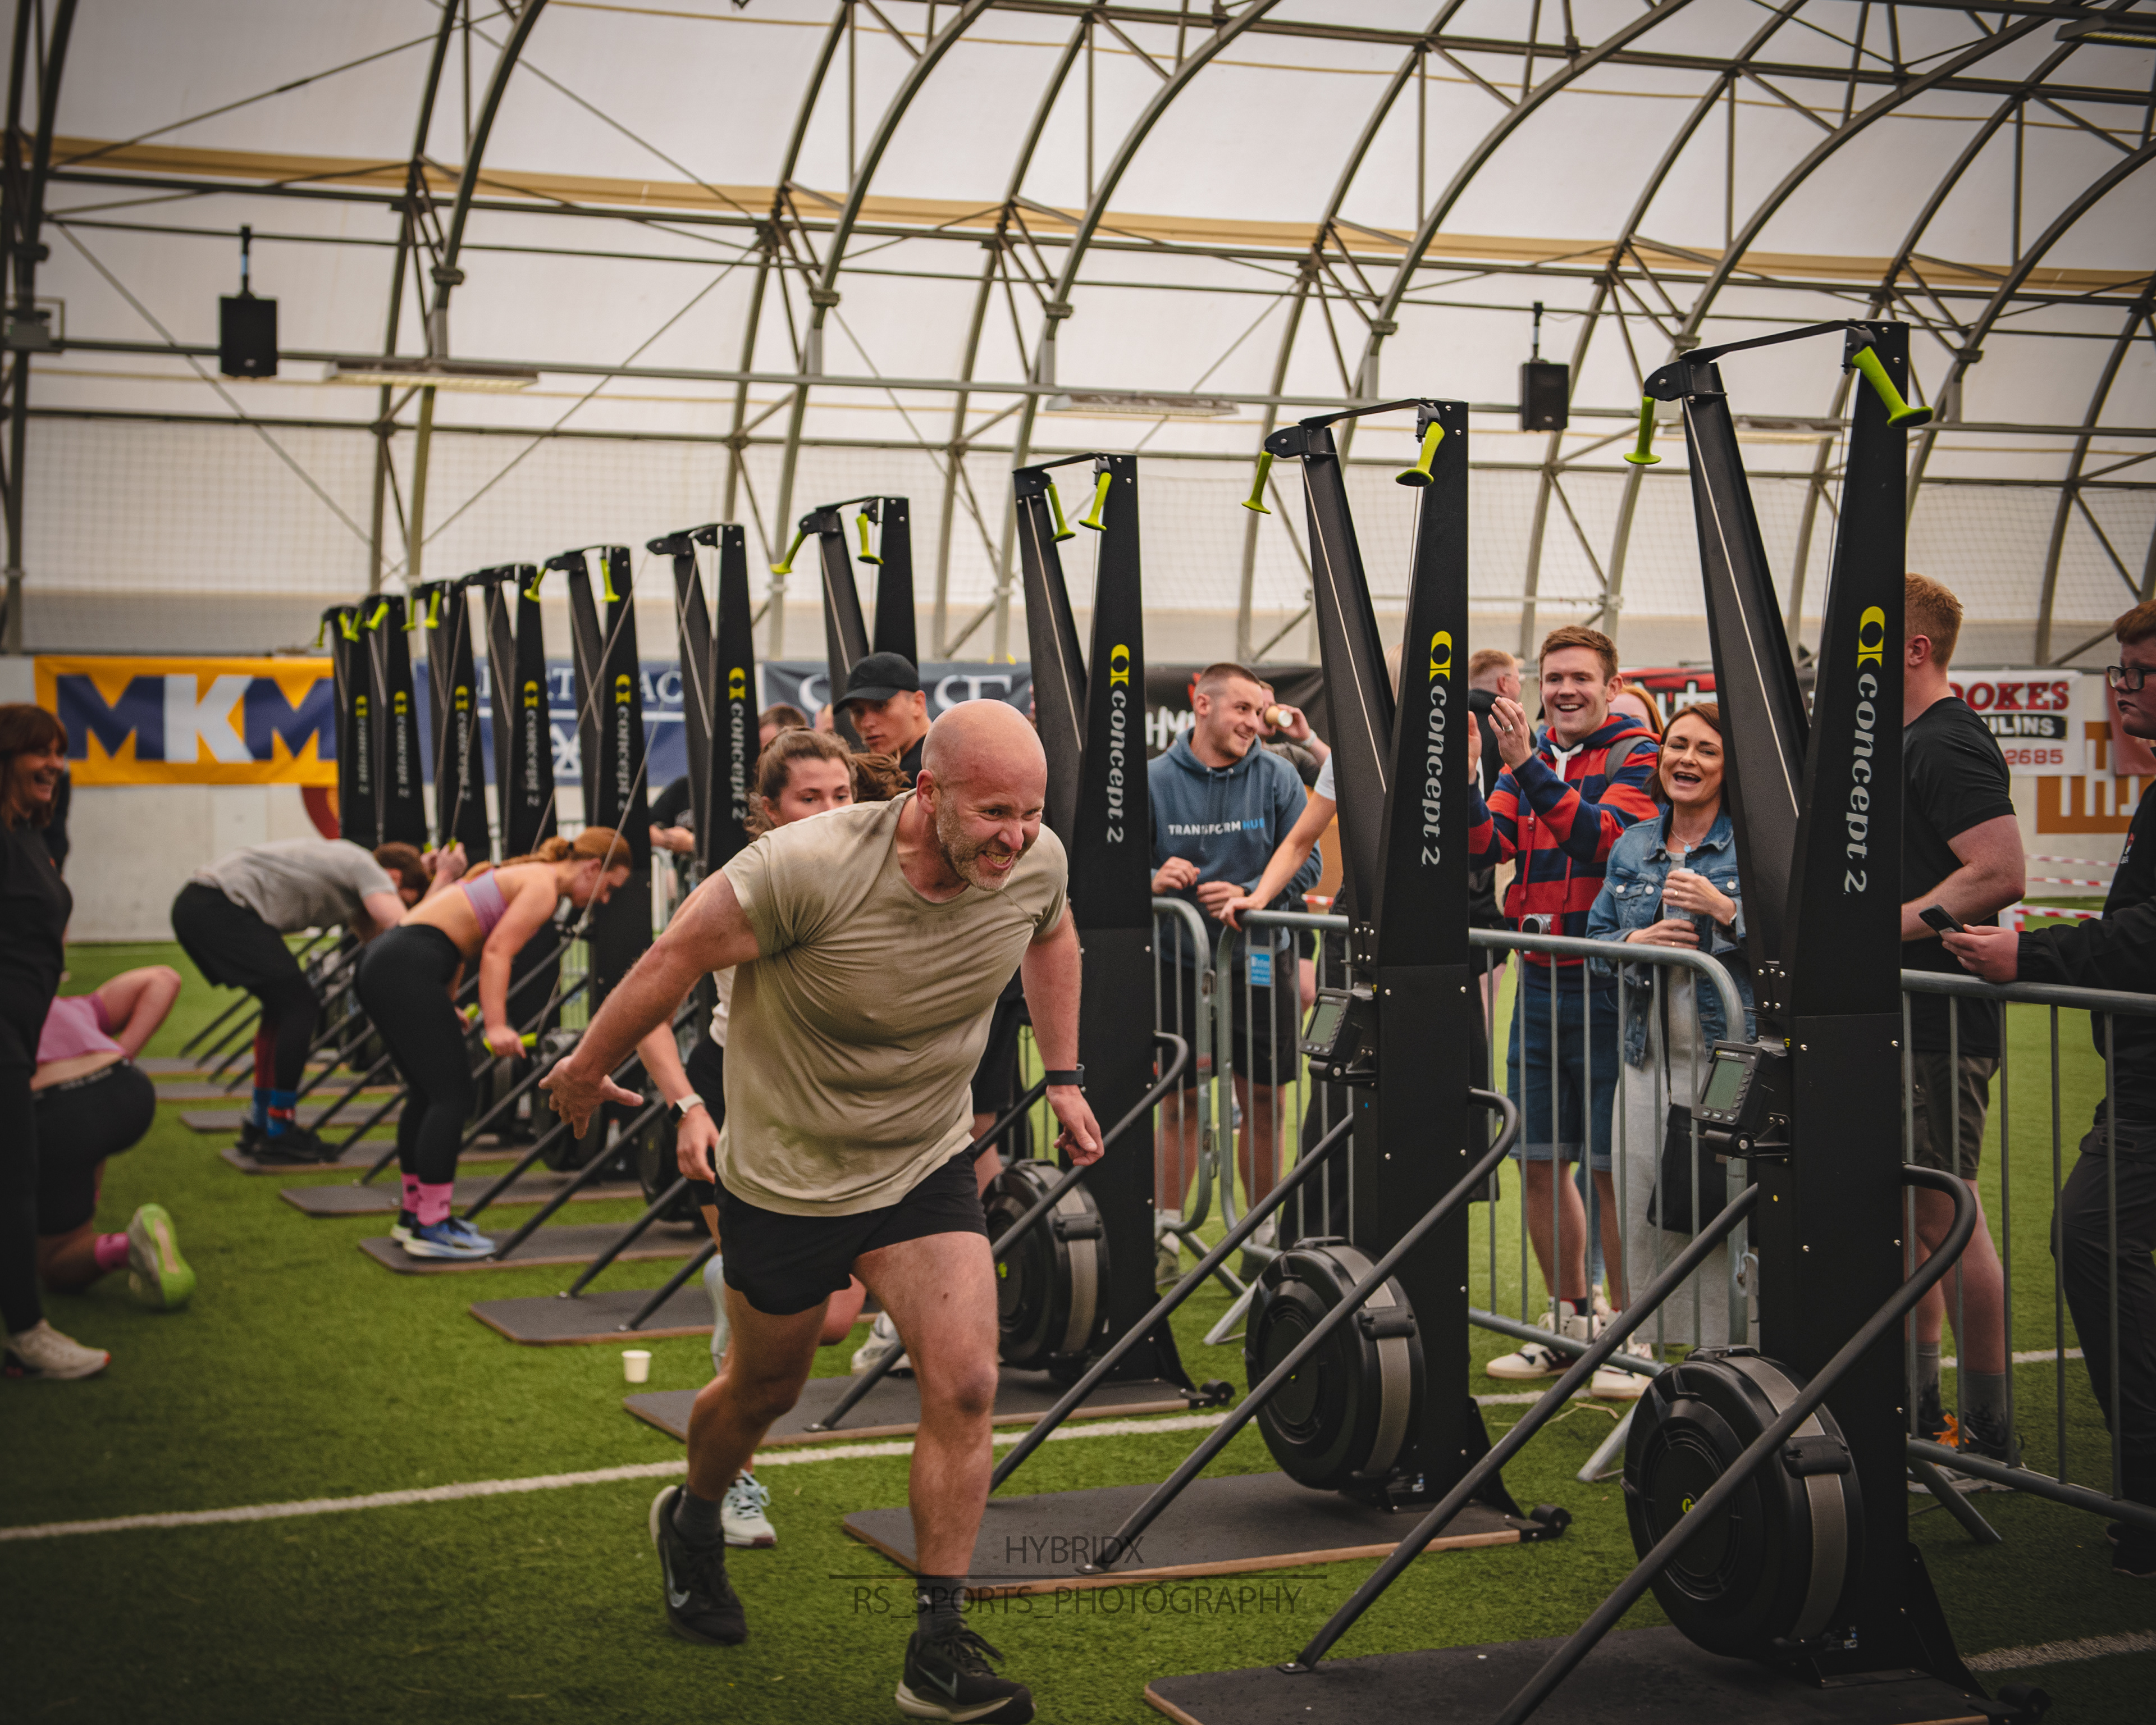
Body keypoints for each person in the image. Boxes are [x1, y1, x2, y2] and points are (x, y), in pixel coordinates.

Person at [542, 700, 1097, 1723]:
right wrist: (585, 1067)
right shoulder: (802, 868)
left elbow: (1054, 935)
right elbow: (670, 959)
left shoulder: (1036, 863)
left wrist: (1062, 1075)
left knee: (969, 1382)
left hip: (923, 1164)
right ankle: (694, 1518)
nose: (1017, 838)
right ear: (928, 795)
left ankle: (936, 1649)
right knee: (765, 1390)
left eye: (1031, 813)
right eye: (995, 814)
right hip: (787, 1180)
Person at [632, 730, 890, 1549]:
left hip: (831, 1113)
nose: (830, 810)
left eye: (841, 795)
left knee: (835, 1321)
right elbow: (643, 1004)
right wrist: (685, 1108)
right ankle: (732, 1485)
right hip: (735, 1103)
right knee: (763, 1347)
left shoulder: (876, 877)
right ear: (769, 810)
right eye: (809, 798)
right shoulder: (739, 886)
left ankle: (729, 1294)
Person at [1945, 597, 2156, 1577]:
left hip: (2144, 1097)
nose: (2124, 689)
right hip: (2138, 1084)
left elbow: (2145, 934)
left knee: (2087, 1234)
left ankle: (2141, 1496)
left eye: (2141, 672)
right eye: (2120, 671)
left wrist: (2030, 954)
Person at [1470, 627, 1660, 1381]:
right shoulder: (1533, 753)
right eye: (1553, 679)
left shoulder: (1637, 753)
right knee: (1541, 1162)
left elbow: (1601, 841)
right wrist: (1466, 774)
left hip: (1612, 986)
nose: (1565, 691)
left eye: (1580, 677)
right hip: (1541, 980)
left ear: (1612, 686)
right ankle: (1570, 1322)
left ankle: (1631, 1338)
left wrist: (1521, 764)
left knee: (1612, 1170)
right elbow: (1486, 846)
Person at [358, 828, 631, 1260]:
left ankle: (415, 1214)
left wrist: (446, 1001)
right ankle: (431, 1224)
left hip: (389, 962)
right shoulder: (542, 886)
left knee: (427, 1095)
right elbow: (497, 952)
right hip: (406, 965)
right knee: (452, 1096)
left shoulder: (527, 875)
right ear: (593, 868)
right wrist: (498, 1026)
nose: (605, 899)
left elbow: (454, 941)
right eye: (608, 887)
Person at [1587, 702, 1753, 1388]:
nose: (1687, 760)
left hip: (1726, 1064)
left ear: (1730, 767)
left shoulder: (1753, 843)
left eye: (1707, 750)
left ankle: (1732, 1367)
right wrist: (1637, 939)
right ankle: (1668, 1369)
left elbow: (1796, 939)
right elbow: (1594, 941)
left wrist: (1727, 911)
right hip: (1645, 1061)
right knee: (1646, 1212)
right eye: (1677, 746)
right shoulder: (1633, 845)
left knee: (1723, 1215)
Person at [1898, 574, 2025, 1465]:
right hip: (1908, 1019)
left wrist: (1883, 927)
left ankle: (1987, 1439)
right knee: (1914, 1221)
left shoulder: (1947, 739)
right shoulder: (1910, 740)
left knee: (1948, 1219)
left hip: (1943, 1026)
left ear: (1916, 648)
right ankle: (1923, 1419)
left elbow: (1999, 871)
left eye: (1868, 640)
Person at [1152, 664, 1320, 1229]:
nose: (1254, 722)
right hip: (1179, 964)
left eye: (1258, 711)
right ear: (1203, 705)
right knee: (1179, 1103)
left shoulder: (1278, 776)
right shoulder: (1153, 779)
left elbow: (1309, 863)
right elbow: (1115, 870)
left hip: (1261, 964)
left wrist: (1250, 893)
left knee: (1266, 1103)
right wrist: (1152, 879)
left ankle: (1262, 1231)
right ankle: (1166, 1231)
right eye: (1242, 709)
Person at [171, 837, 444, 1164]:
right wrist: (445, 879)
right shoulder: (367, 868)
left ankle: (262, 1122)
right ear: (394, 878)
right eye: (400, 897)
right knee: (299, 1007)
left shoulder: (352, 869)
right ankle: (279, 1129)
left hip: (202, 904)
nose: (393, 898)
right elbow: (403, 931)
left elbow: (380, 943)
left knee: (282, 1007)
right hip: (220, 906)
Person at [1, 704, 106, 1380]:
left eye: (61, 753)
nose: (56, 766)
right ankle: (26, 1334)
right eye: (42, 752)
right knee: (15, 1181)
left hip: (19, 1031)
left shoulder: (27, 834)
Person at [35, 966, 193, 1309]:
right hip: (126, 1094)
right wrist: (123, 1055)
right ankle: (83, 1218)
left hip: (61, 1113)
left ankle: (127, 1245)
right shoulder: (70, 1006)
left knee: (54, 1264)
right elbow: (164, 979)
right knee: (83, 1140)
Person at [1468, 649, 1523, 1032]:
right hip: (1488, 876)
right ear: (1505, 683)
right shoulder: (1508, 729)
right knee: (1485, 990)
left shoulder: (1437, 721)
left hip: (1438, 871)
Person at [836, 651, 932, 778]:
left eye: (880, 706)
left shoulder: (938, 767)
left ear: (918, 703)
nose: (867, 724)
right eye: (857, 711)